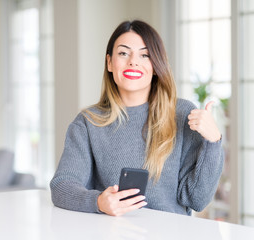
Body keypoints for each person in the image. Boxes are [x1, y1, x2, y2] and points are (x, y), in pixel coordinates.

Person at [50, 20, 224, 217]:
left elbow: (197, 200)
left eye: (145, 55)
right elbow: (62, 186)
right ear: (109, 62)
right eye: (123, 53)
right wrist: (98, 202)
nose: (133, 61)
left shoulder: (183, 113)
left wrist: (213, 142)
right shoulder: (88, 122)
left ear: (156, 65)